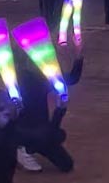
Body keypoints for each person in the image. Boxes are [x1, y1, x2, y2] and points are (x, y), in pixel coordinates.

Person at [14, 44, 83, 173]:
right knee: (52, 136)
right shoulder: (26, 82)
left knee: (66, 164)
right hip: (28, 131)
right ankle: (22, 148)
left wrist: (78, 57)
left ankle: (31, 145)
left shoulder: (39, 78)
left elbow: (71, 79)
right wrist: (60, 110)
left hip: (42, 128)